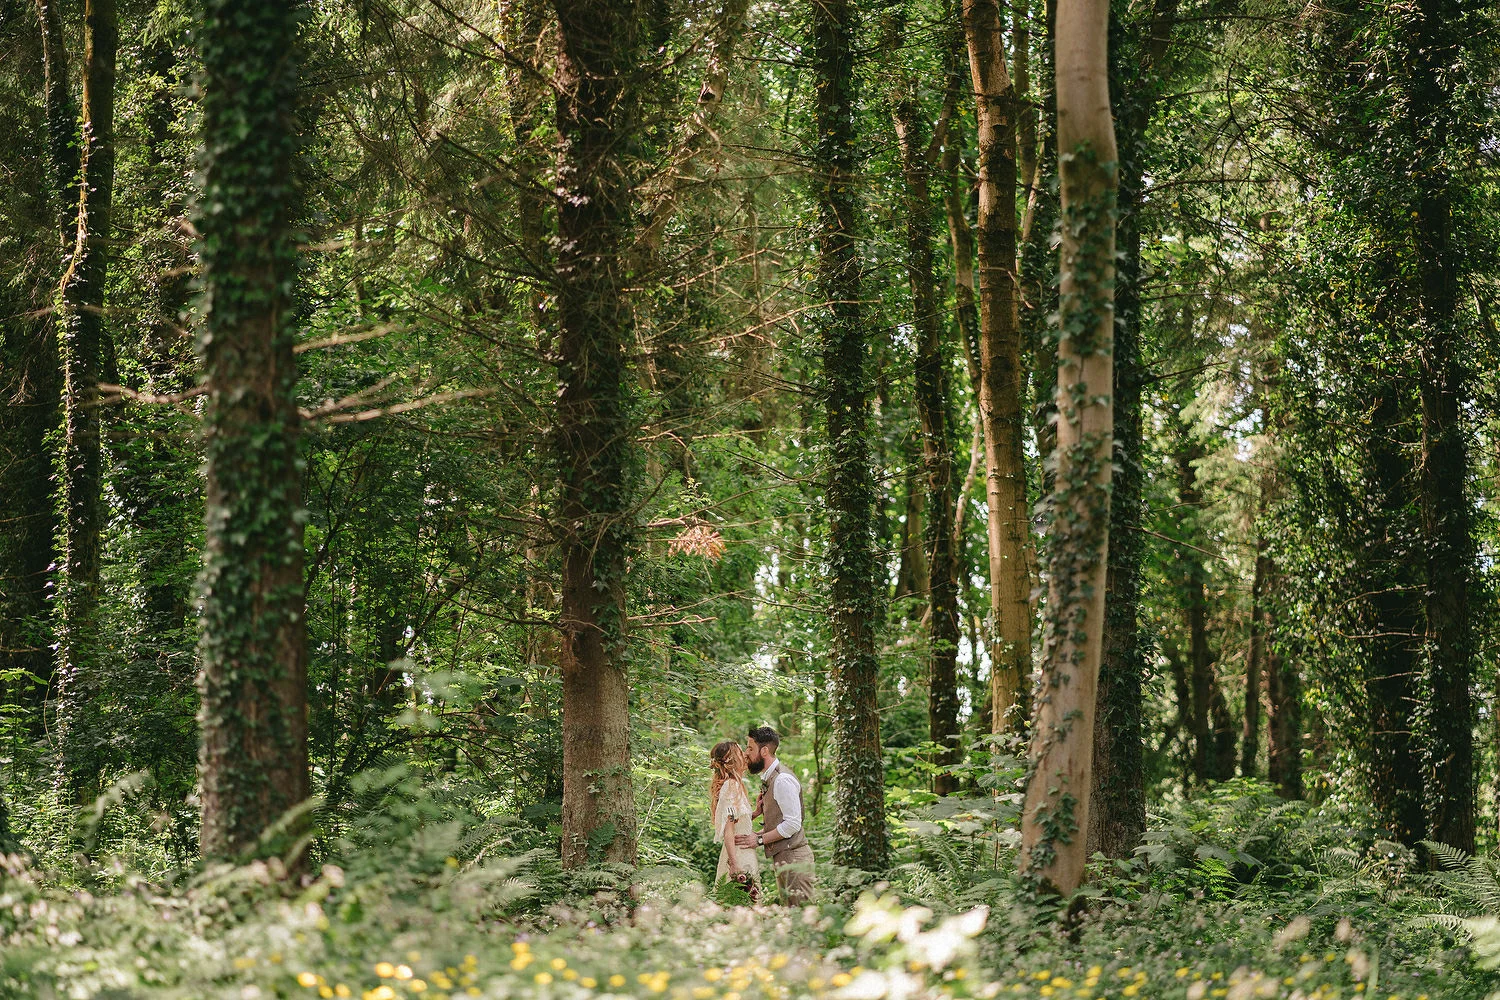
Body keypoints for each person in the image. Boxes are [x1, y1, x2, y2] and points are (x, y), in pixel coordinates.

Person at [734, 726, 815, 905]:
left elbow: (793, 824)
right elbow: (780, 820)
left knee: (802, 918)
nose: (746, 753)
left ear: (764, 751)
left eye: (750, 748)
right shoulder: (771, 778)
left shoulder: (782, 780)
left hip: (794, 857)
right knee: (791, 914)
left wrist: (759, 840)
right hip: (785, 857)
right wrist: (758, 830)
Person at [709, 739, 760, 902]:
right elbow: (728, 829)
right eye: (740, 752)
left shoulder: (734, 785)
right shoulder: (731, 786)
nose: (745, 755)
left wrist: (756, 813)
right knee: (741, 906)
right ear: (732, 760)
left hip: (742, 852)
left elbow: (735, 821)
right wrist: (735, 864)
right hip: (738, 855)